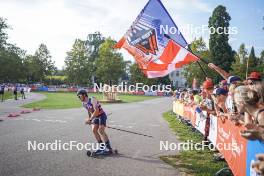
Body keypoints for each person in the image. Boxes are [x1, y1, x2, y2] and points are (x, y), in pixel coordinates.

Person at [77, 89, 113, 155]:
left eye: (80, 96)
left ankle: (109, 148)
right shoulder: (83, 103)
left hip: (101, 115)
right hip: (95, 117)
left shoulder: (92, 99)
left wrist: (90, 119)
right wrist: (89, 119)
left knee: (101, 130)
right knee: (94, 130)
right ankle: (102, 147)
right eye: (78, 97)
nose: (79, 98)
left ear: (84, 95)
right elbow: (89, 111)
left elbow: (96, 111)